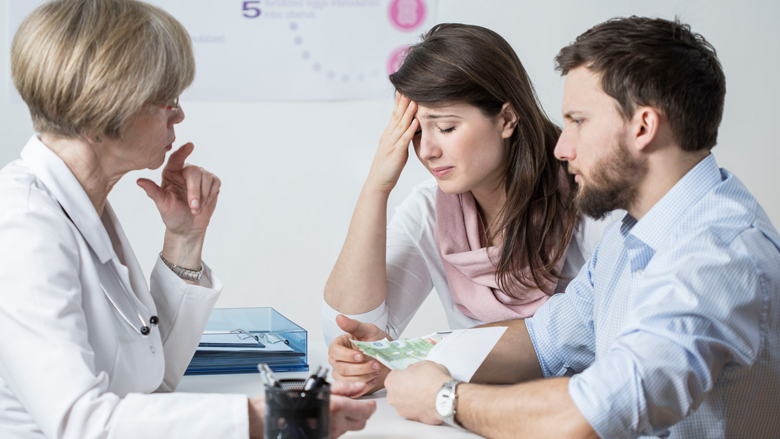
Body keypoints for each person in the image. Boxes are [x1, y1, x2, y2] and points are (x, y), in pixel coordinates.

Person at [382, 16, 780, 439]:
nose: (561, 147)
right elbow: (543, 340)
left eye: (578, 121)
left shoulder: (715, 256)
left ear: (643, 126)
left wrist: (446, 399)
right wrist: (396, 358)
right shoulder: (634, 236)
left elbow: (588, 415)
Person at [0, 1, 375, 438]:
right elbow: (81, 423)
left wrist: (184, 239)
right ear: (100, 107)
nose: (179, 114)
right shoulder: (23, 225)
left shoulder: (82, 205)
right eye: (167, 100)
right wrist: (262, 416)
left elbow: (152, 379)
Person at [323, 23, 622, 397]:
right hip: (467, 417)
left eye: (446, 127)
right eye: (416, 132)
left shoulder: (592, 203)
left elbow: (610, 347)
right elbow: (348, 328)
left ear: (507, 119)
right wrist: (376, 187)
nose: (426, 150)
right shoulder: (431, 210)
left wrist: (416, 362)